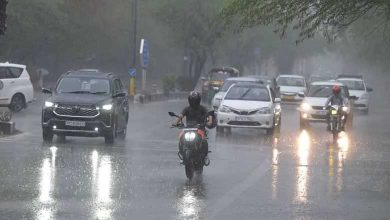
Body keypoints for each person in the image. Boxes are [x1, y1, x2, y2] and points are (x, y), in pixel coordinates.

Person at [173, 91, 214, 165]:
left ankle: (205, 157)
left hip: (200, 129)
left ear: (198, 100)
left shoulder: (202, 108)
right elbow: (181, 116)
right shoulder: (187, 109)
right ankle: (182, 153)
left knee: (204, 141)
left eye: (195, 100)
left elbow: (209, 115)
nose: (193, 102)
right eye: (192, 100)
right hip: (188, 129)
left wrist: (209, 121)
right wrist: (175, 123)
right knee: (181, 138)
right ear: (189, 100)